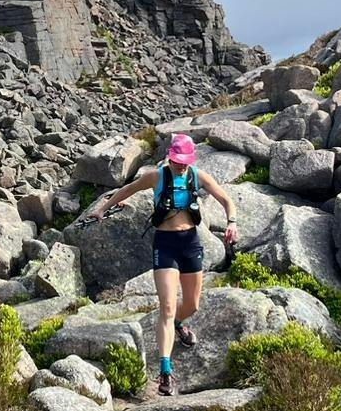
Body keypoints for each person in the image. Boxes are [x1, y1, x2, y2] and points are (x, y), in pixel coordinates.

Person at [83, 132, 237, 396]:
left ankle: (178, 322)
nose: (181, 165)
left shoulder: (197, 176)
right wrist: (101, 209)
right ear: (170, 157)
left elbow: (226, 200)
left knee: (192, 305)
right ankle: (166, 372)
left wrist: (232, 222)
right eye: (177, 160)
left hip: (190, 243)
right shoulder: (157, 177)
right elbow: (127, 190)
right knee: (166, 306)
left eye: (185, 161)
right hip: (165, 245)